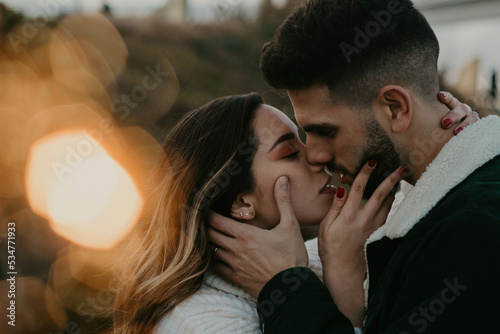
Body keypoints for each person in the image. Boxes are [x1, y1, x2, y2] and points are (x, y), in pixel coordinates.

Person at [208, 0, 500, 333]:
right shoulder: (440, 201)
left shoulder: (473, 232)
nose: (314, 154)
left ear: (395, 109)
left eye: (325, 131)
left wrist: (286, 289)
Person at [112, 91, 471, 334]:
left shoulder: (325, 251)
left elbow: (421, 211)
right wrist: (335, 289)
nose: (317, 156)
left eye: (305, 140)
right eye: (289, 153)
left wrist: (453, 140)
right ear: (241, 203)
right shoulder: (202, 323)